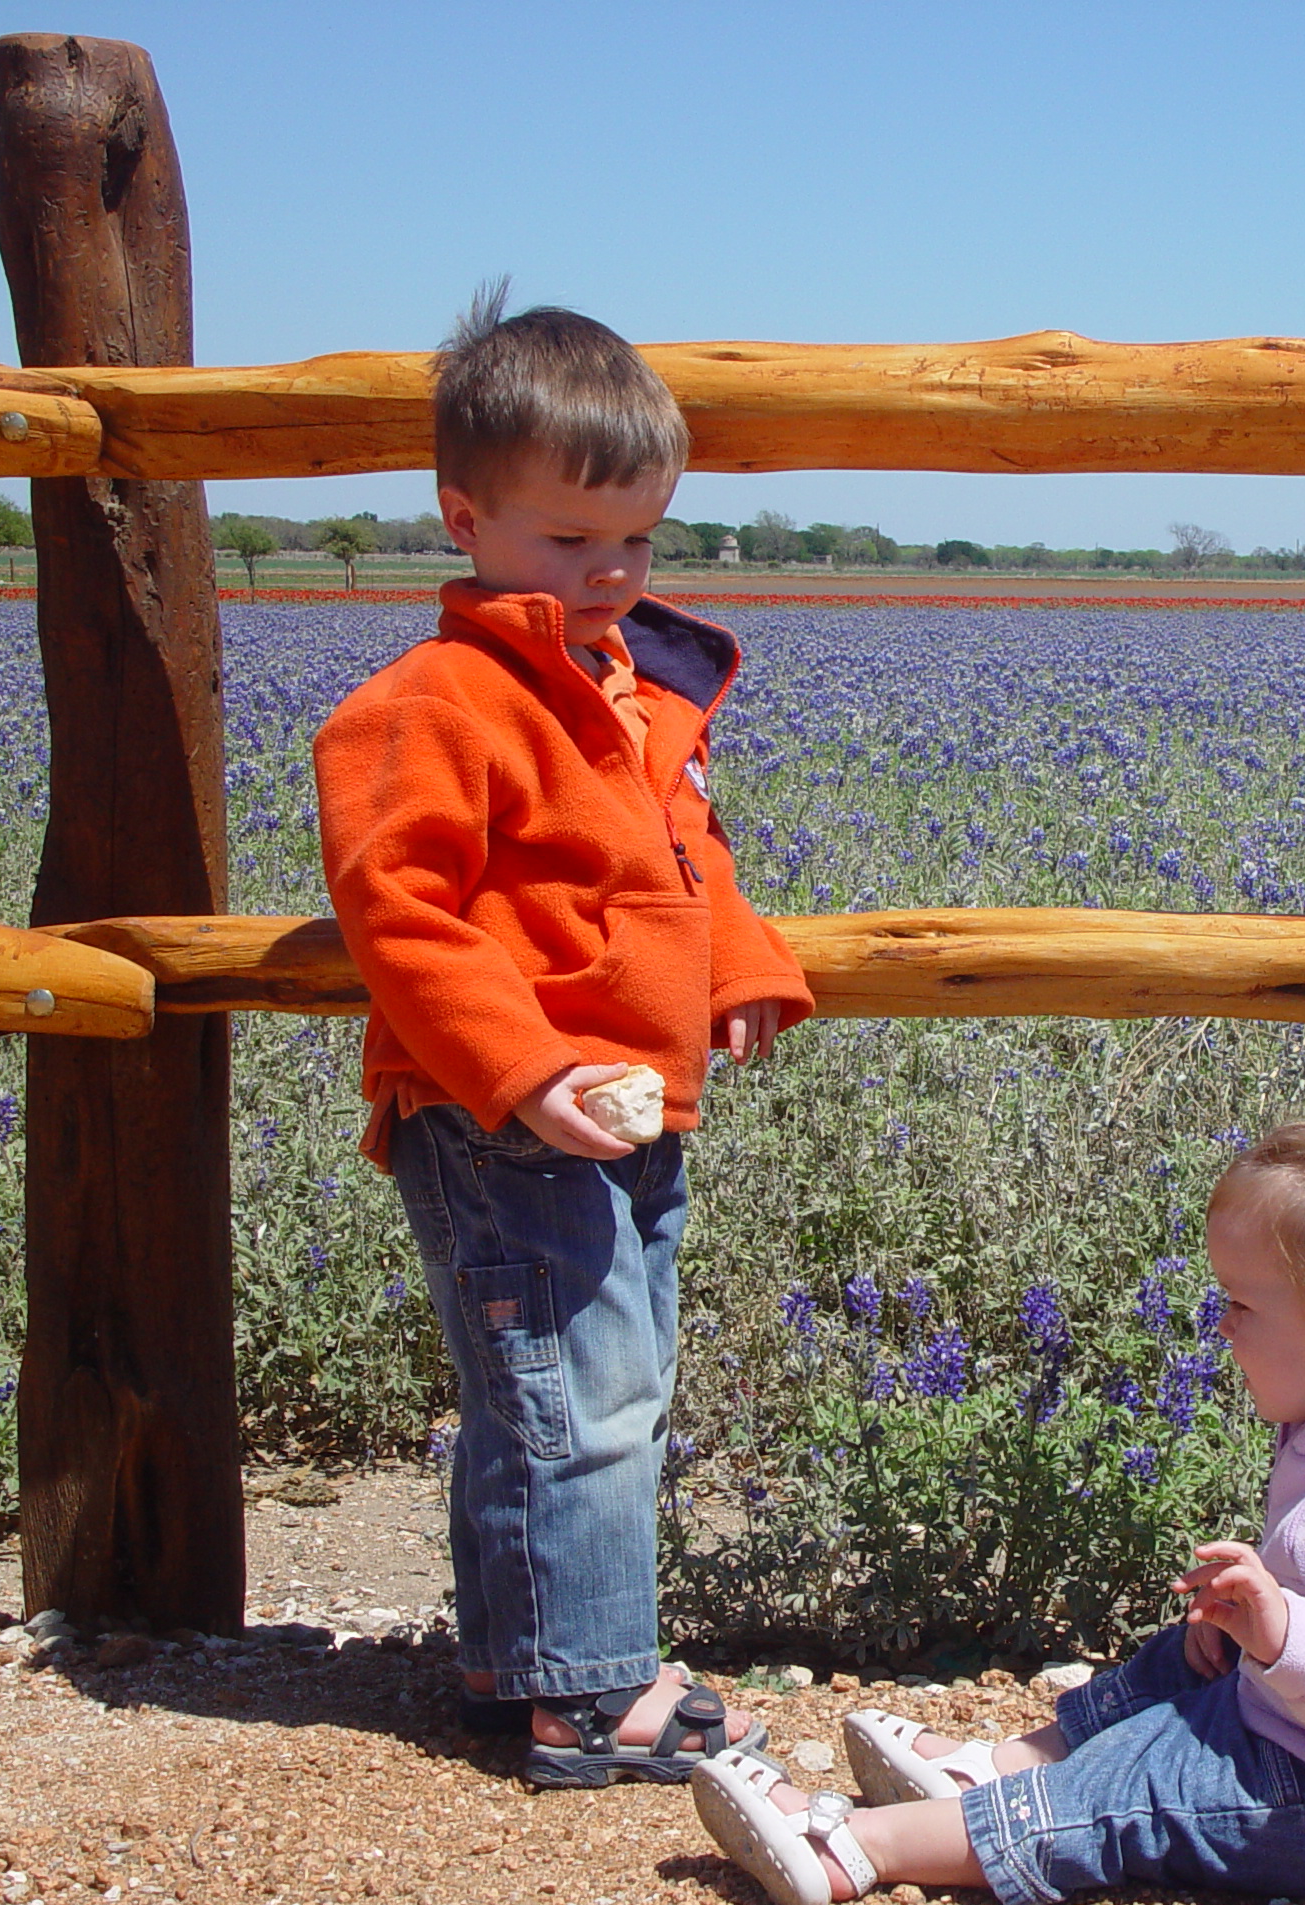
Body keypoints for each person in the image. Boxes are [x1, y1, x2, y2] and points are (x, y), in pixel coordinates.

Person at [689, 1044, 1305, 1905]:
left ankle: (851, 1848)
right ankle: (999, 1769)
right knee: (1181, 1663)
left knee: (1138, 1781)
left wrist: (1285, 1631)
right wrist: (1260, 1632)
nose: (1219, 1328)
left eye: (1240, 1305)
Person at [312, 288, 813, 1787]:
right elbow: (398, 914)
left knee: (578, 1387)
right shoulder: (433, 702)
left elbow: (684, 856)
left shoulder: (629, 691)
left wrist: (741, 965)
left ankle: (515, 1667)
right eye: (565, 541)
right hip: (503, 1114)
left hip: (633, 1102)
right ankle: (592, 1694)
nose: (607, 573)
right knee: (580, 1397)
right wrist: (521, 1077)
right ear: (463, 517)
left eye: (636, 543)